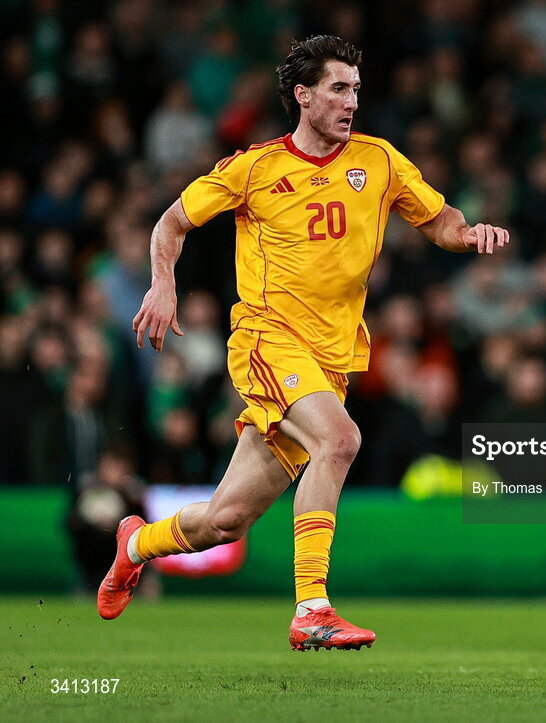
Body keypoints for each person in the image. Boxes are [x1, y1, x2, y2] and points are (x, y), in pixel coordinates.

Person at [97, 36, 510, 651]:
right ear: (304, 95)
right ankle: (312, 608)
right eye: (339, 89)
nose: (351, 102)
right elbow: (172, 222)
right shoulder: (256, 168)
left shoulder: (381, 161)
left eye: (357, 90)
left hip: (329, 360)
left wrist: (467, 232)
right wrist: (162, 284)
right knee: (340, 439)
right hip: (268, 340)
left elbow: (439, 219)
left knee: (226, 521)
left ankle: (134, 544)